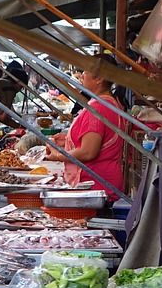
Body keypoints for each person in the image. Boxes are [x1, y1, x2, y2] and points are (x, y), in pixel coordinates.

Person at [45, 59, 126, 196]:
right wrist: (68, 140)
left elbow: (88, 152)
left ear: (99, 78)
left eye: (85, 71)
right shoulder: (110, 103)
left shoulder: (98, 107)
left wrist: (58, 156)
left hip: (95, 184)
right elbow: (99, 139)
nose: (81, 75)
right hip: (103, 182)